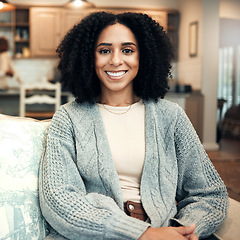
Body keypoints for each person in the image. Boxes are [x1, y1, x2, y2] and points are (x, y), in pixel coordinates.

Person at [39, 11, 229, 240]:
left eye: (127, 50)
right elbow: (58, 199)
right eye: (104, 50)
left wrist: (184, 230)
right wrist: (141, 234)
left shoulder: (171, 116)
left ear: (144, 57)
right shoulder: (67, 118)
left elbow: (211, 194)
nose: (116, 60)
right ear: (89, 57)